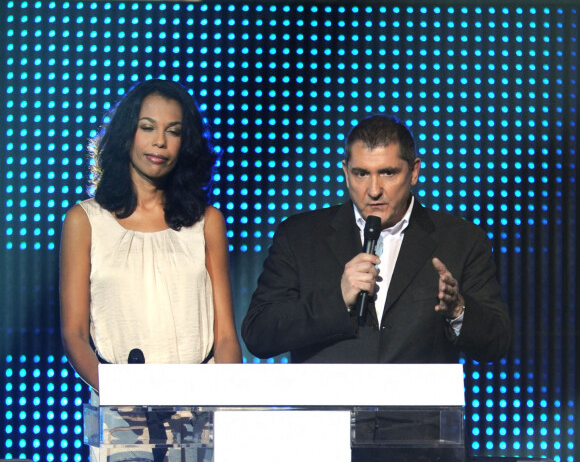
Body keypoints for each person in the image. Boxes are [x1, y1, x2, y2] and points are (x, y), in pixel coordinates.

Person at [60, 78, 242, 459]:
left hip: (198, 414)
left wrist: (230, 407)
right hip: (121, 418)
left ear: (185, 144)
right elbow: (74, 334)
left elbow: (225, 336)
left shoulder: (206, 222)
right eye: (148, 127)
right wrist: (120, 396)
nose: (159, 142)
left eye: (173, 132)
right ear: (127, 133)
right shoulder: (84, 220)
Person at [242, 114, 511, 364]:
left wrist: (458, 311)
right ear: (346, 172)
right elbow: (259, 333)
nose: (373, 190)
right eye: (361, 173)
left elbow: (497, 343)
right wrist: (338, 299)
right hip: (330, 412)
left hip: (416, 414)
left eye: (388, 173)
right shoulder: (300, 236)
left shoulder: (460, 240)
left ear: (414, 172)